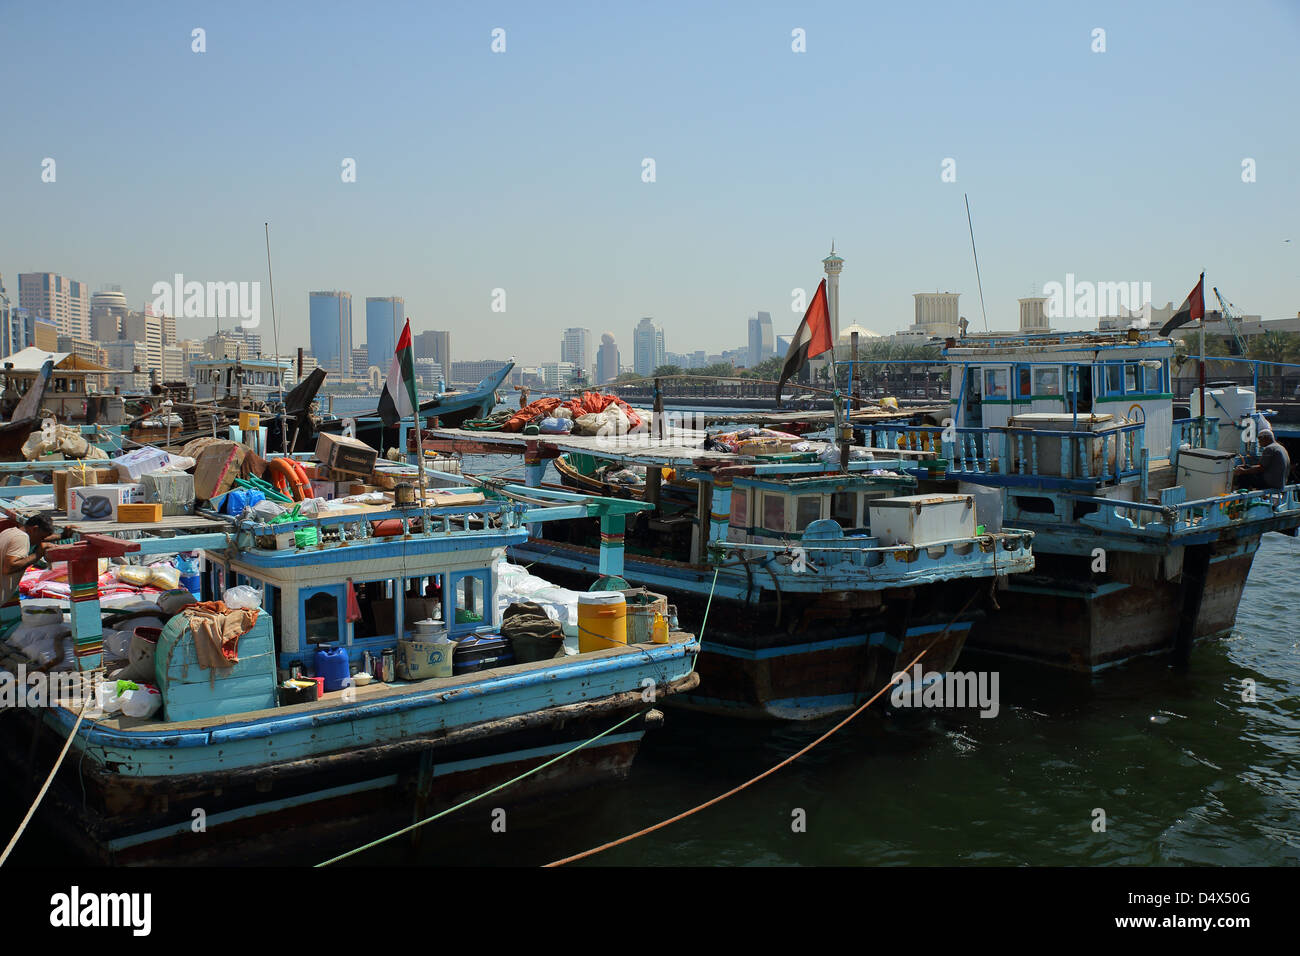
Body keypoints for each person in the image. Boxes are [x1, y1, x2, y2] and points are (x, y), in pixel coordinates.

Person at [1, 512, 57, 607]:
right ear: (34, 529)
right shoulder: (22, 538)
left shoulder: (9, 532)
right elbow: (9, 568)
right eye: (41, 538)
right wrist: (38, 554)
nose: (40, 542)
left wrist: (63, 535)